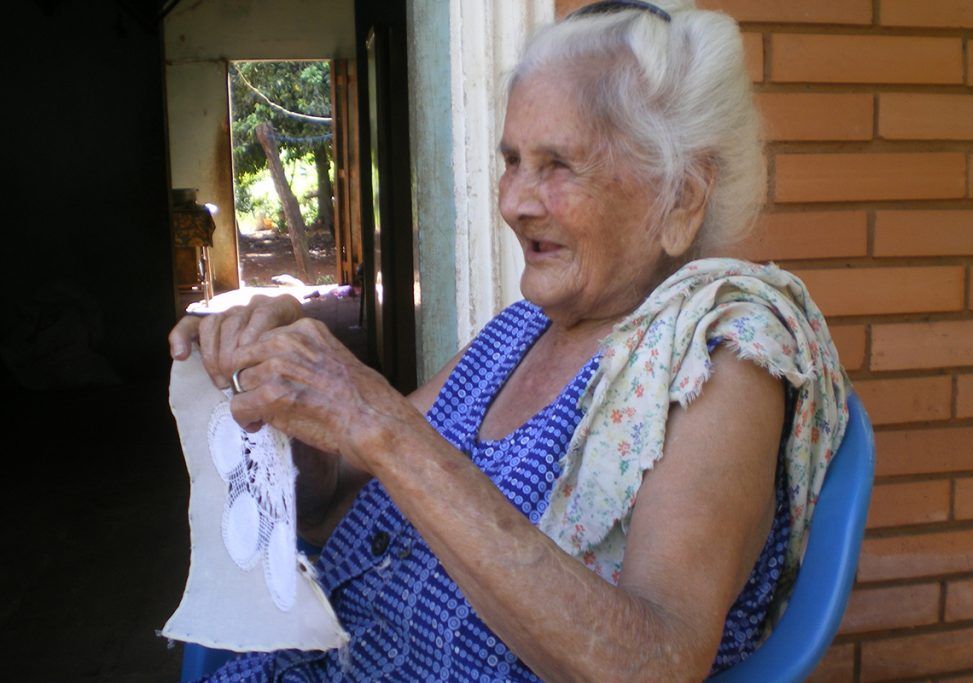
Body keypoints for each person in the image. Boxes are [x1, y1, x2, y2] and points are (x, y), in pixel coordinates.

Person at [168, 1, 849, 680]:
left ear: (681, 198)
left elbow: (653, 663)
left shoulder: (721, 359)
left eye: (558, 164)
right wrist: (283, 386)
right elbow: (328, 507)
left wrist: (373, 416)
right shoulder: (522, 329)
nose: (514, 202)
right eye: (512, 160)